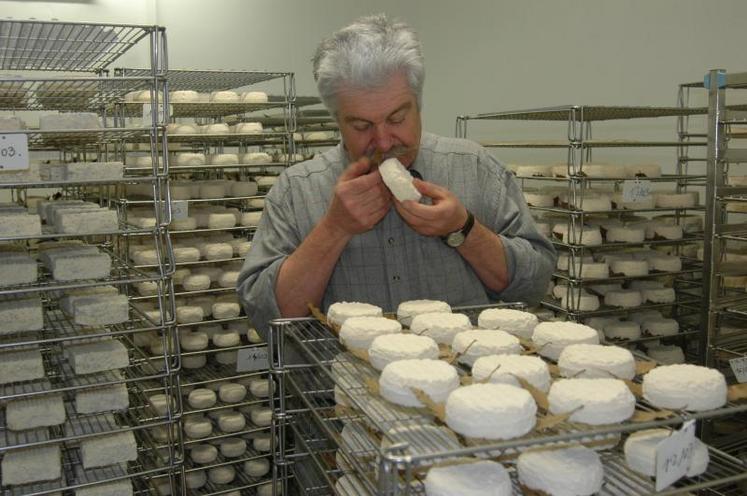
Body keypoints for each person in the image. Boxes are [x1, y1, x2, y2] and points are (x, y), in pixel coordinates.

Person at [237, 14, 556, 336]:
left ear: (418, 105)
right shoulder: (296, 190)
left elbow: (533, 287)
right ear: (337, 120)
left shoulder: (476, 167)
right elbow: (267, 319)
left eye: (397, 118)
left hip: (462, 379)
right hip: (337, 382)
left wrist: (463, 229)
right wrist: (334, 229)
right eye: (361, 126)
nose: (384, 141)